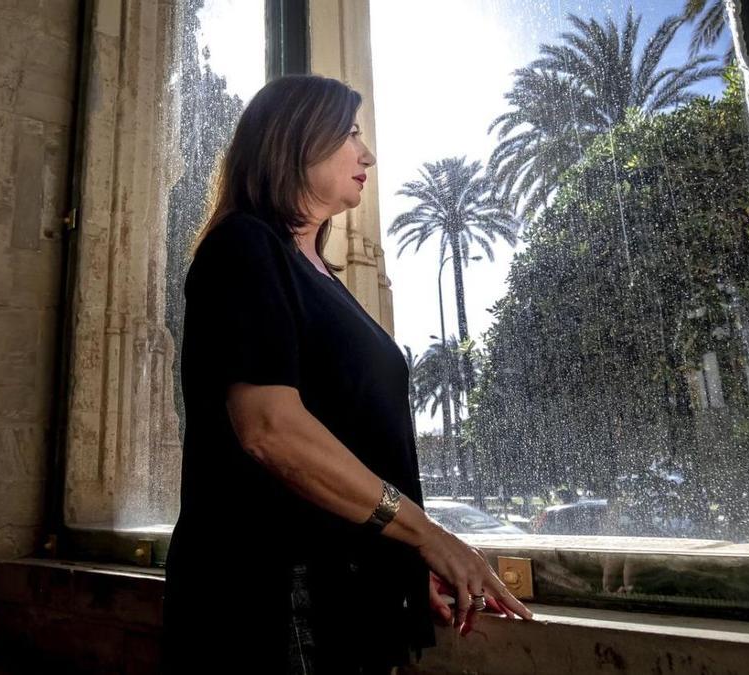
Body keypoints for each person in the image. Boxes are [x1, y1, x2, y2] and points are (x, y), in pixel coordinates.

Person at [162, 74, 532, 675]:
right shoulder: (244, 246)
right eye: (350, 133)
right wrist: (427, 535)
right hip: (275, 599)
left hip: (346, 595)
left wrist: (403, 563)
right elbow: (270, 430)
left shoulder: (324, 277)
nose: (368, 155)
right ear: (295, 139)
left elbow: (354, 432)